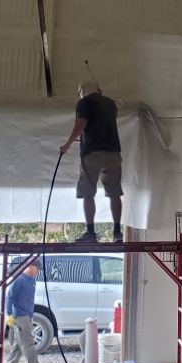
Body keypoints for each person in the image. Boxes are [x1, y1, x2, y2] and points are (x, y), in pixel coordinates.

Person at [60, 81, 124, 243]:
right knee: (114, 193)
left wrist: (67, 144)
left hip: (93, 153)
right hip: (114, 153)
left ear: (82, 92)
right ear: (98, 90)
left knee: (88, 192)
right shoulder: (110, 104)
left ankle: (90, 232)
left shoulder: (85, 102)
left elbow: (81, 123)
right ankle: (117, 231)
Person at [3, 260, 50, 363]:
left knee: (19, 345)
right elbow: (10, 296)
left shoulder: (31, 280)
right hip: (19, 316)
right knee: (28, 343)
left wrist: (30, 315)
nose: (38, 271)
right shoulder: (19, 279)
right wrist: (8, 314)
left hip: (27, 316)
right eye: (37, 269)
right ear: (30, 266)